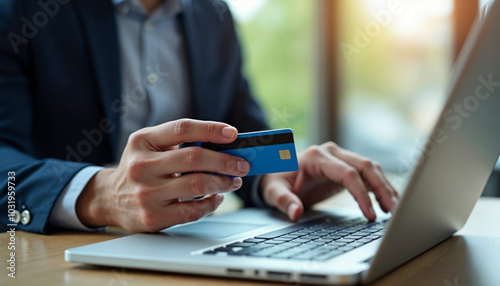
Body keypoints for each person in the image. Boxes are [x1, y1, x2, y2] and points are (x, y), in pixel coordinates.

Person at [0, 0, 398, 234]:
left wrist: (277, 175)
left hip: (190, 251)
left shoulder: (213, 15)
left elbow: (241, 134)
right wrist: (98, 193)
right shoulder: (21, 12)